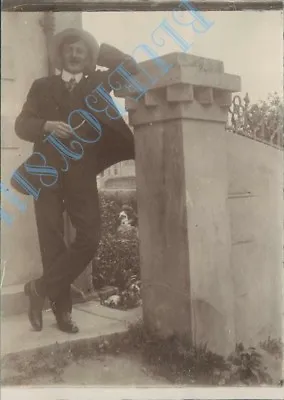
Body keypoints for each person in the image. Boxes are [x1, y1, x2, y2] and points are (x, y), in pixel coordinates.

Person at [13, 28, 138, 333]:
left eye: (81, 51)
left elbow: (130, 69)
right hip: (47, 173)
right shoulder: (42, 86)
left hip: (81, 173)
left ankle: (39, 288)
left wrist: (105, 54)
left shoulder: (97, 83)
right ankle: (63, 313)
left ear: (88, 58)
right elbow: (21, 124)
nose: (75, 54)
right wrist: (46, 125)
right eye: (70, 49)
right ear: (61, 55)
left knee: (90, 237)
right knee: (51, 239)